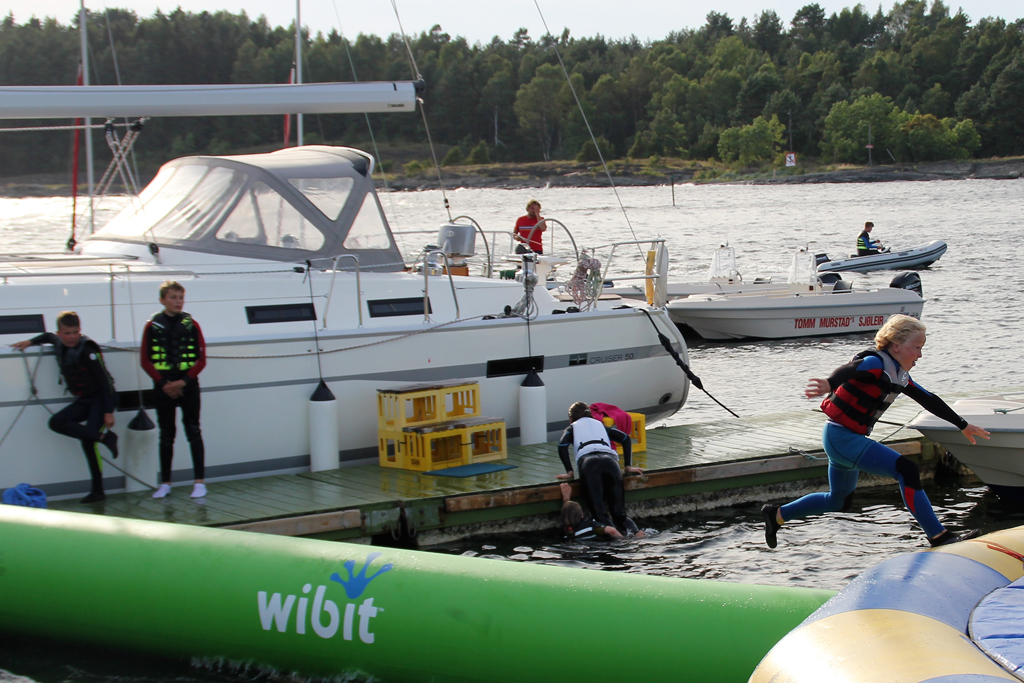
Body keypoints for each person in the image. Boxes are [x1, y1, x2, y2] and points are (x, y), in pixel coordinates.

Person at [761, 314, 990, 549]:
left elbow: (929, 399)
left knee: (838, 501)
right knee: (907, 470)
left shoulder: (899, 375)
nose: (920, 355)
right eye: (917, 347)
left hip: (842, 439)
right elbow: (850, 369)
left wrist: (963, 425)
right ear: (896, 345)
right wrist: (830, 383)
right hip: (842, 438)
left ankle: (777, 515)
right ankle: (938, 536)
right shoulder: (876, 363)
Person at [11, 311, 118, 503]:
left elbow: (106, 383)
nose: (72, 337)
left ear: (80, 331)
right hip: (84, 399)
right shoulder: (58, 341)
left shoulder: (87, 350)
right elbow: (47, 336)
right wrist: (30, 342)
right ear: (59, 333)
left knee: (88, 443)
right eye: (67, 333)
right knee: (56, 422)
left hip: (100, 400)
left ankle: (98, 491)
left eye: (75, 332)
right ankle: (105, 437)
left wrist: (108, 411)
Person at [141, 281, 207, 499]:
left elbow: (201, 360)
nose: (178, 302)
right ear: (162, 300)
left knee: (193, 431)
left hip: (188, 385)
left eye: (181, 297)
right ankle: (165, 483)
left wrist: (183, 382)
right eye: (173, 297)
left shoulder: (192, 325)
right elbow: (145, 361)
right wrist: (165, 384)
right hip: (164, 387)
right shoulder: (152, 326)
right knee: (166, 435)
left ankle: (199, 482)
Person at [555, 402, 644, 537]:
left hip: (589, 464)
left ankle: (617, 542)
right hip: (611, 462)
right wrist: (628, 466)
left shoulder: (572, 428)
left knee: (600, 515)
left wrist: (569, 471)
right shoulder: (600, 425)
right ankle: (637, 534)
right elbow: (625, 439)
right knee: (620, 515)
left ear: (571, 418)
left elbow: (562, 445)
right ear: (590, 414)